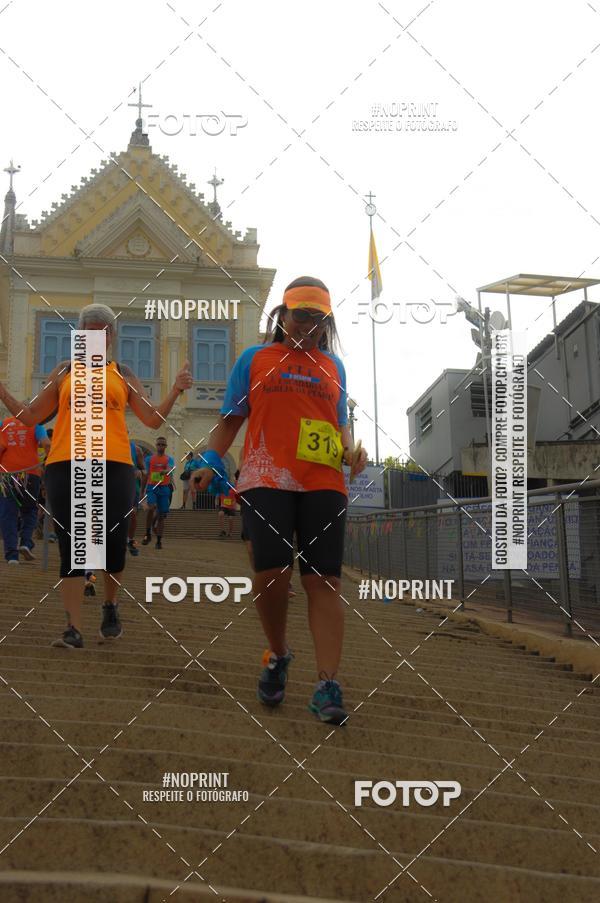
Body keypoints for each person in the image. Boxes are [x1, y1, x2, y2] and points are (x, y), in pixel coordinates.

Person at [192, 276, 367, 725]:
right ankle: (280, 653)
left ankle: (328, 682)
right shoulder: (254, 359)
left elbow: (340, 422)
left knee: (324, 581)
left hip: (324, 482)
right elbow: (232, 419)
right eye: (301, 313)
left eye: (319, 317)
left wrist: (352, 451)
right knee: (271, 573)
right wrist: (212, 458)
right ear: (282, 315)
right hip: (266, 476)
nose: (309, 323)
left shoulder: (334, 368)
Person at [0, 303, 192, 647]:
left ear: (111, 337)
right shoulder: (65, 372)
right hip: (65, 462)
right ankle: (73, 628)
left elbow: (152, 421)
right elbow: (29, 416)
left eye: (102, 331)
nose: (94, 336)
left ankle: (110, 604)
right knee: (73, 544)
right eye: (87, 330)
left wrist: (176, 389)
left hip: (114, 462)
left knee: (113, 543)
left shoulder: (122, 374)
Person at [0, 416, 50, 563]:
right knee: (30, 510)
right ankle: (26, 542)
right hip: (31, 473)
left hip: (7, 474)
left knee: (8, 513)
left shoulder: (4, 424)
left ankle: (12, 556)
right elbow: (46, 444)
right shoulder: (35, 423)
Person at [142, 437, 175, 550]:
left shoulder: (169, 459)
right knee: (151, 508)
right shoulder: (149, 459)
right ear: (156, 445)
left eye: (163, 444)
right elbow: (146, 474)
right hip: (152, 487)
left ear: (165, 446)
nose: (160, 446)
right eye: (159, 444)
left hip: (164, 488)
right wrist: (142, 491)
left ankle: (159, 540)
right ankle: (148, 534)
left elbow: (170, 468)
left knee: (161, 515)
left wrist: (165, 471)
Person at [127, 439, 144, 557]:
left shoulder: (136, 449)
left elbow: (144, 469)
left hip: (132, 487)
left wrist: (140, 472)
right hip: (112, 485)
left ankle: (130, 541)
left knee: (132, 515)